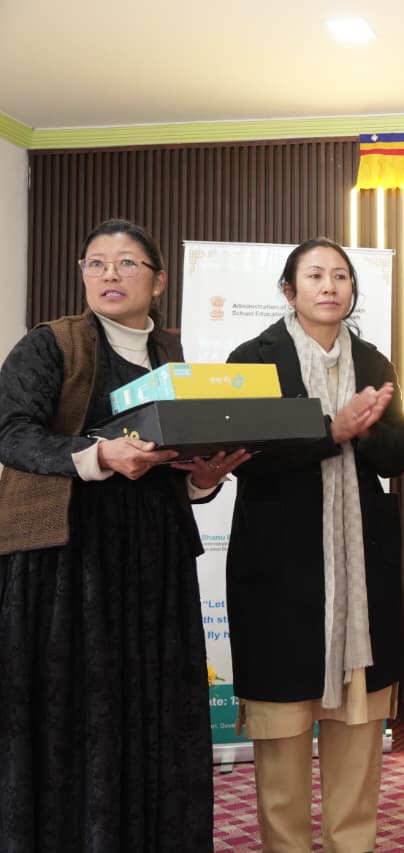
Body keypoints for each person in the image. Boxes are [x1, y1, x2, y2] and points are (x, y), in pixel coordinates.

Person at [0, 218, 248, 852]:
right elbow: (12, 434)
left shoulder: (176, 355)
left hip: (155, 558)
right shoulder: (49, 345)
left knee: (157, 708)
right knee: (79, 710)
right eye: (96, 264)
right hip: (64, 561)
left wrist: (203, 478)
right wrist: (98, 456)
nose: (109, 275)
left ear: (159, 281)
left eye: (127, 264)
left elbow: (176, 458)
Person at [225, 237, 404, 853]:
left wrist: (366, 430)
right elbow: (247, 461)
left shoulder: (375, 363)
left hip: (359, 570)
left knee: (358, 726)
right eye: (315, 275)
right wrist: (331, 429)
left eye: (340, 276)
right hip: (280, 570)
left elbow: (401, 454)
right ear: (290, 290)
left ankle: (351, 843)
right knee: (281, 727)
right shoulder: (252, 359)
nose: (329, 286)